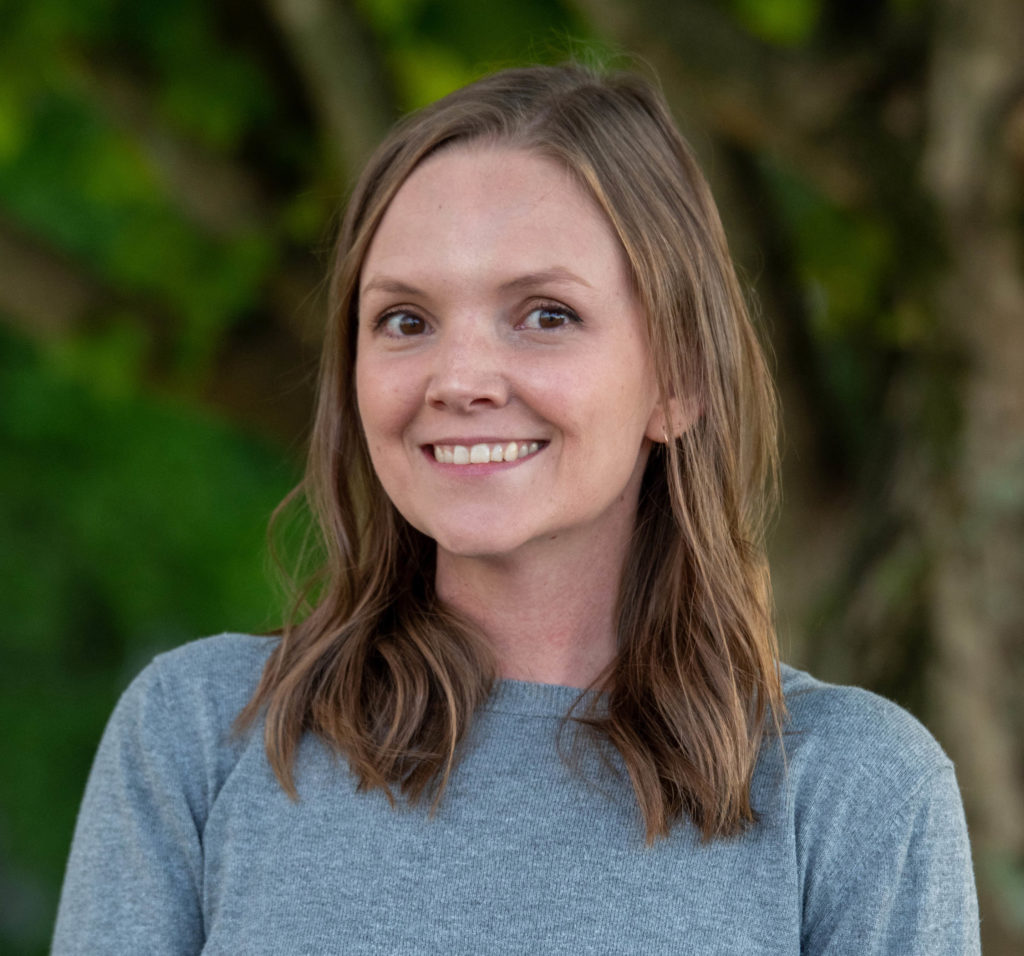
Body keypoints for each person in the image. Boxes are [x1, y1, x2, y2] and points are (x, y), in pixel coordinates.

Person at [53, 64, 980, 954]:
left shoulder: (854, 791)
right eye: (405, 321)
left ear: (682, 378)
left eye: (545, 315)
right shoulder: (202, 738)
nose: (458, 381)